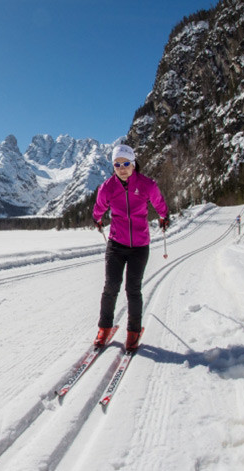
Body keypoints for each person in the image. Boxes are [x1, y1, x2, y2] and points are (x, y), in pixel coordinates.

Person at [92, 144, 170, 351]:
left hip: (139, 246)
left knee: (132, 289)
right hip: (116, 244)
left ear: (133, 163)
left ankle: (133, 332)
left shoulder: (147, 185)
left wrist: (164, 216)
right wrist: (97, 218)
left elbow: (159, 202)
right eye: (117, 164)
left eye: (126, 163)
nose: (122, 168)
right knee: (110, 287)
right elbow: (99, 206)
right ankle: (104, 328)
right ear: (113, 166)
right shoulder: (107, 187)